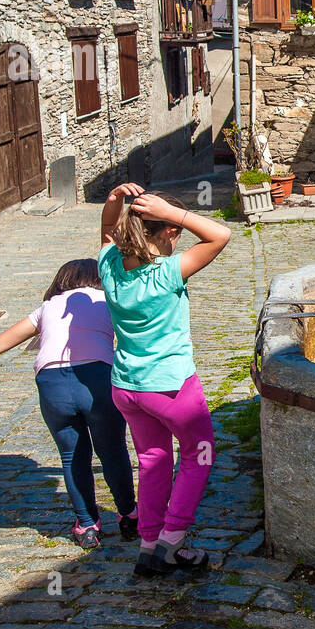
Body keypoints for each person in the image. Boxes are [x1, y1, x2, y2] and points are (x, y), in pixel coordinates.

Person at [0, 260, 137, 550]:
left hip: (52, 384)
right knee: (112, 450)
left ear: (60, 281)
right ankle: (130, 516)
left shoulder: (47, 307)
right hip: (97, 380)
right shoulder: (106, 300)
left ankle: (87, 524)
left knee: (71, 456)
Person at [98, 183, 231, 577]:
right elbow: (221, 234)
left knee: (153, 461)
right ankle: (173, 543)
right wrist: (176, 213)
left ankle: (148, 545)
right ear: (170, 230)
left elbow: (108, 234)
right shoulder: (167, 274)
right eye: (177, 228)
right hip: (170, 387)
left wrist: (112, 203)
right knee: (199, 453)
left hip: (126, 388)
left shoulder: (110, 266)